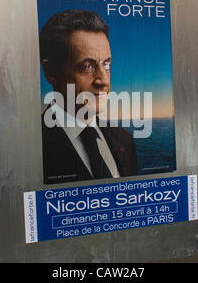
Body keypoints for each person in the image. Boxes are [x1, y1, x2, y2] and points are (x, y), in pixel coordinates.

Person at [39, 9, 137, 184]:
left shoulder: (124, 140)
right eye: (87, 66)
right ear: (51, 72)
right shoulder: (32, 147)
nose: (104, 81)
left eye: (106, 64)